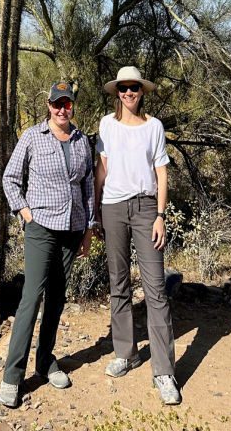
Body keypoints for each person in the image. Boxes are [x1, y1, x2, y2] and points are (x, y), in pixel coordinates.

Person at [0, 81, 95, 409]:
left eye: (67, 104)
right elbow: (10, 178)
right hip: (41, 227)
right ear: (49, 106)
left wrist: (88, 228)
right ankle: (12, 376)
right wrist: (25, 212)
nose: (62, 109)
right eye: (57, 104)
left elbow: (87, 188)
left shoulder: (82, 141)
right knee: (31, 298)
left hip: (72, 228)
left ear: (73, 106)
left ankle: (45, 361)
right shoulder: (32, 137)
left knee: (56, 297)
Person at [95, 65, 181, 405]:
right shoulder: (106, 125)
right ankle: (126, 352)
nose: (129, 93)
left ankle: (164, 372)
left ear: (142, 91)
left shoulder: (154, 127)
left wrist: (160, 216)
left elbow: (161, 173)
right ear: (117, 91)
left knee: (155, 289)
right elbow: (101, 169)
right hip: (113, 207)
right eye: (124, 88)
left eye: (134, 88)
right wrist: (95, 211)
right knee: (118, 283)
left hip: (147, 208)